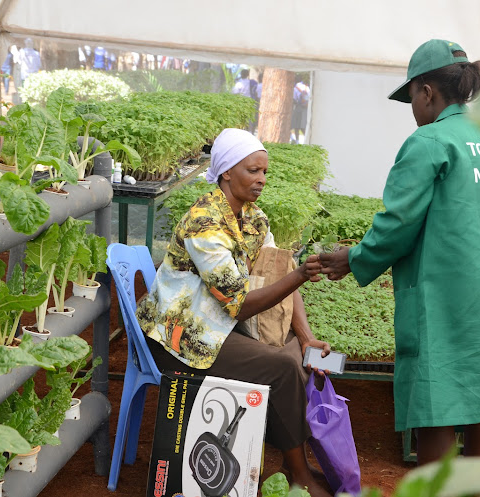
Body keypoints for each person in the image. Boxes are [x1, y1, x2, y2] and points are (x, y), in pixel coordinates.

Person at [318, 39, 480, 465]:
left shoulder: (428, 142)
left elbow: (398, 224)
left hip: (453, 294)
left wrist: (353, 258)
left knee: (437, 401)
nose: (412, 108)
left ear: (427, 91)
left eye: (411, 96)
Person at [136, 128, 333, 497]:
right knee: (283, 365)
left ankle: (272, 459)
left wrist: (305, 337)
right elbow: (239, 302)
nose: (260, 180)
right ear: (227, 171)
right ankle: (297, 471)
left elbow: (278, 273)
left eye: (264, 173)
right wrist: (300, 274)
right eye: (252, 171)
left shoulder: (254, 219)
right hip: (184, 337)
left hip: (222, 327)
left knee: (296, 353)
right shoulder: (204, 222)